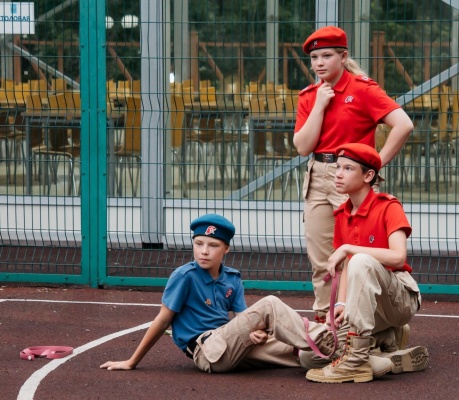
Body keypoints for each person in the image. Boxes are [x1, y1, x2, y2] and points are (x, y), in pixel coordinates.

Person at [100, 214, 336, 373]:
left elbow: (246, 320)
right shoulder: (184, 276)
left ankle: (343, 352)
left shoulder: (232, 278)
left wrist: (259, 334)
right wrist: (132, 361)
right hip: (209, 351)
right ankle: (326, 340)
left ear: (226, 249)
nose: (204, 251)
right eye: (199, 244)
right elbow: (162, 321)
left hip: (231, 346)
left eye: (212, 245)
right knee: (270, 303)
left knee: (298, 351)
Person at [292, 26, 414, 324]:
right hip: (318, 174)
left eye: (327, 56)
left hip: (353, 175)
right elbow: (303, 146)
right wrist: (320, 105)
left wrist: (375, 164)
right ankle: (326, 323)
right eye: (314, 58)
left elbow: (404, 125)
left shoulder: (363, 89)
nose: (319, 63)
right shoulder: (310, 96)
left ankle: (363, 323)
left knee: (360, 255)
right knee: (321, 260)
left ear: (343, 57)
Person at [303, 143, 429, 383]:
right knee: (310, 356)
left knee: (360, 260)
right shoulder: (342, 214)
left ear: (368, 175)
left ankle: (356, 360)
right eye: (338, 167)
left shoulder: (389, 206)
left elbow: (398, 257)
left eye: (348, 168)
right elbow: (345, 268)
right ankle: (385, 345)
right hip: (364, 303)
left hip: (398, 299)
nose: (338, 174)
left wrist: (349, 248)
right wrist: (341, 303)